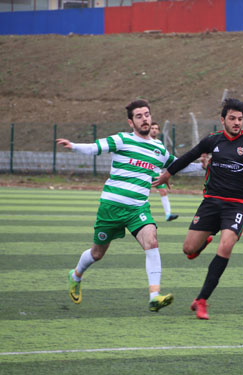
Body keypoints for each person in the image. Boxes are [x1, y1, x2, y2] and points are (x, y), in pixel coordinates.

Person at [57, 99, 202, 312]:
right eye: (139, 116)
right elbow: (96, 147)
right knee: (97, 254)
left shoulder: (157, 148)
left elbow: (176, 165)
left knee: (151, 241)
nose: (144, 119)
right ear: (131, 122)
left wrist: (203, 167)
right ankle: (76, 275)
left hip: (137, 209)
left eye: (147, 114)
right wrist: (74, 146)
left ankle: (154, 296)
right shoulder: (122, 140)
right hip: (111, 207)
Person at [153, 98, 243, 320]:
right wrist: (168, 173)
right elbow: (188, 156)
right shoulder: (212, 141)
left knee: (226, 245)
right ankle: (203, 243)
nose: (237, 122)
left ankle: (201, 300)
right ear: (223, 120)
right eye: (232, 118)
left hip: (238, 205)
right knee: (188, 250)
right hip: (211, 202)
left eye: (240, 119)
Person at [149, 122, 178, 221]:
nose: (153, 130)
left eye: (156, 128)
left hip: (155, 173)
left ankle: (168, 215)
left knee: (163, 191)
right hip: (144, 172)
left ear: (158, 131)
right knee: (142, 193)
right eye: (152, 128)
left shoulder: (159, 143)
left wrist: (160, 171)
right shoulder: (144, 141)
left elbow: (161, 159)